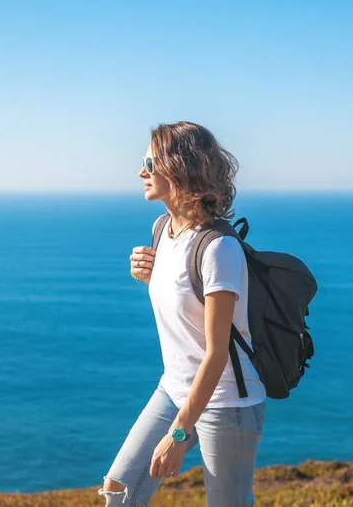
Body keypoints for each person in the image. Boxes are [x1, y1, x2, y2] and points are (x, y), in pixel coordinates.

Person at [98, 121, 266, 507]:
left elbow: (216, 352)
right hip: (174, 389)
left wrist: (177, 436)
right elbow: (182, 304)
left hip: (227, 403)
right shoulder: (163, 230)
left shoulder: (219, 249)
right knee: (120, 491)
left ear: (180, 167)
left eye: (150, 162)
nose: (142, 172)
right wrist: (146, 274)